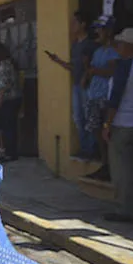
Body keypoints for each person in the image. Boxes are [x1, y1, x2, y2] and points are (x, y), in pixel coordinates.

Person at [103, 28, 133, 223]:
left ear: (130, 46)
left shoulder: (125, 66)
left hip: (123, 123)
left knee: (122, 171)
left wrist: (107, 124)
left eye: (121, 44)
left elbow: (116, 97)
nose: (118, 47)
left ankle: (125, 210)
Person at [45, 12, 99, 161]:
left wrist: (85, 77)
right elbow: (74, 67)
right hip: (76, 85)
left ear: (83, 24)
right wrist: (58, 61)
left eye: (75, 22)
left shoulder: (90, 44)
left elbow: (93, 66)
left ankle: (93, 149)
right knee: (78, 117)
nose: (72, 25)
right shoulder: (75, 45)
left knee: (89, 117)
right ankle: (85, 148)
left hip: (87, 86)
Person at [84, 18, 121, 180]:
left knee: (107, 133)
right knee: (97, 132)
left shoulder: (115, 51)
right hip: (94, 96)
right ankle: (105, 164)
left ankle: (112, 166)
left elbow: (114, 71)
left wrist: (94, 71)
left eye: (100, 28)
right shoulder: (98, 51)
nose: (97, 32)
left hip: (106, 96)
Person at [0, 44, 21, 163]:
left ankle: (10, 152)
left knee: (8, 126)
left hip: (8, 99)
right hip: (11, 99)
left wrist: (0, 98)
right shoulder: (8, 63)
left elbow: (5, 84)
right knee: (9, 126)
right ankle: (9, 151)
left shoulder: (4, 65)